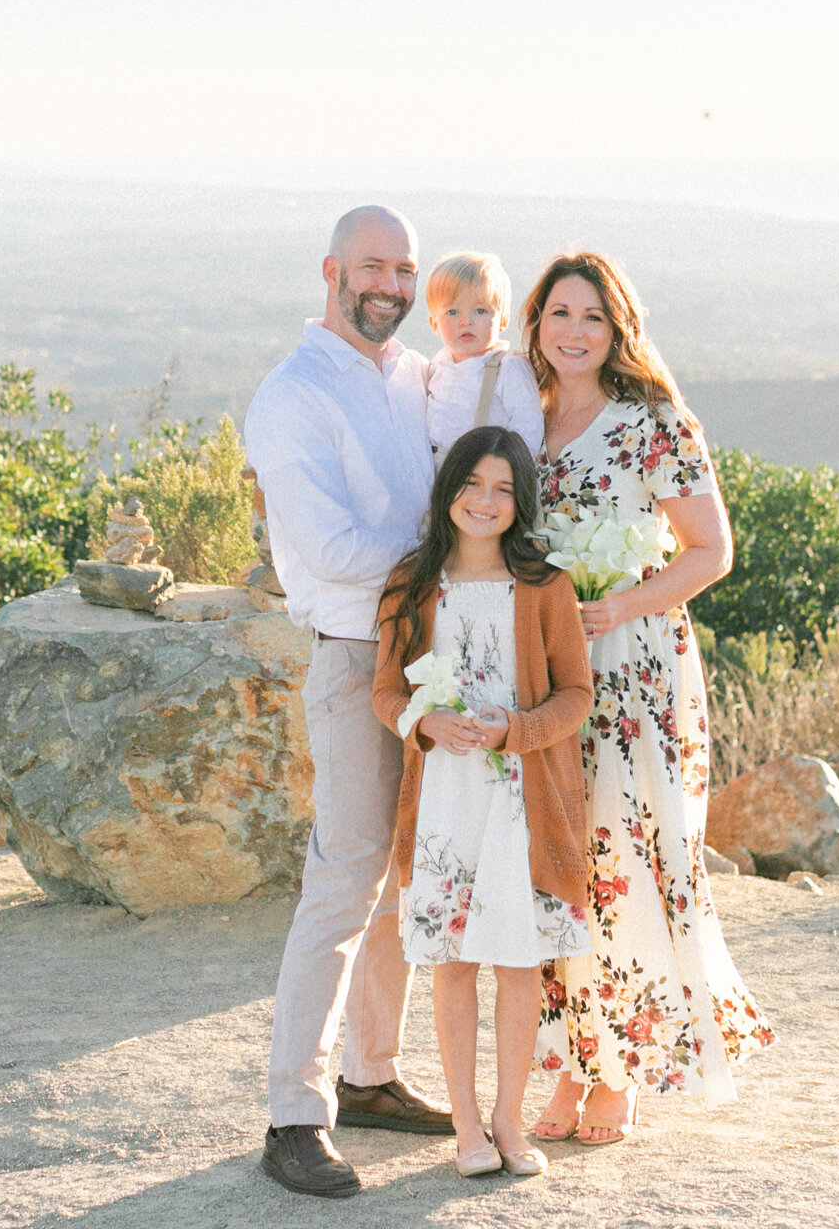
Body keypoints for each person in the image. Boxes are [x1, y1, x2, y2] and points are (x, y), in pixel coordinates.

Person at [524, 250, 774, 1146]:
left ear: (618, 328)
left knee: (622, 857)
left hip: (633, 671)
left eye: (593, 316)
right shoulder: (525, 414)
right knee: (551, 864)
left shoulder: (653, 421)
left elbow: (712, 551)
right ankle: (564, 1060)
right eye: (560, 314)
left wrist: (619, 604)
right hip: (543, 671)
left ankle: (617, 1071)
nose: (575, 331)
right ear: (538, 323)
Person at [244, 205, 454, 1201]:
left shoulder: (411, 377)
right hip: (352, 654)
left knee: (401, 879)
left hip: (435, 653)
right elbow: (327, 551)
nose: (391, 283)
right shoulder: (289, 397)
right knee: (342, 878)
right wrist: (454, 559)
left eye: (406, 267)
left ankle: (370, 1075)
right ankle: (294, 1113)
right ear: (331, 269)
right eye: (375, 264)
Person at [372, 425, 595, 1179]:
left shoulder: (545, 586)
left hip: (524, 804)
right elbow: (384, 691)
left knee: (522, 964)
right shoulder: (411, 585)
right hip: (443, 804)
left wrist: (515, 728)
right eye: (473, 484)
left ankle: (508, 1121)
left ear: (520, 502)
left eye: (503, 489)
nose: (485, 500)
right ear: (449, 490)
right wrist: (423, 721)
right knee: (457, 963)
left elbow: (577, 696)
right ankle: (465, 1124)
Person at [421, 251, 545, 463]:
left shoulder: (508, 368)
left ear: (502, 320)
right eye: (452, 312)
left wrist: (507, 470)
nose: (465, 321)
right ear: (434, 324)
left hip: (482, 473)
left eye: (480, 311)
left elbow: (529, 427)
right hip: (433, 473)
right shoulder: (437, 366)